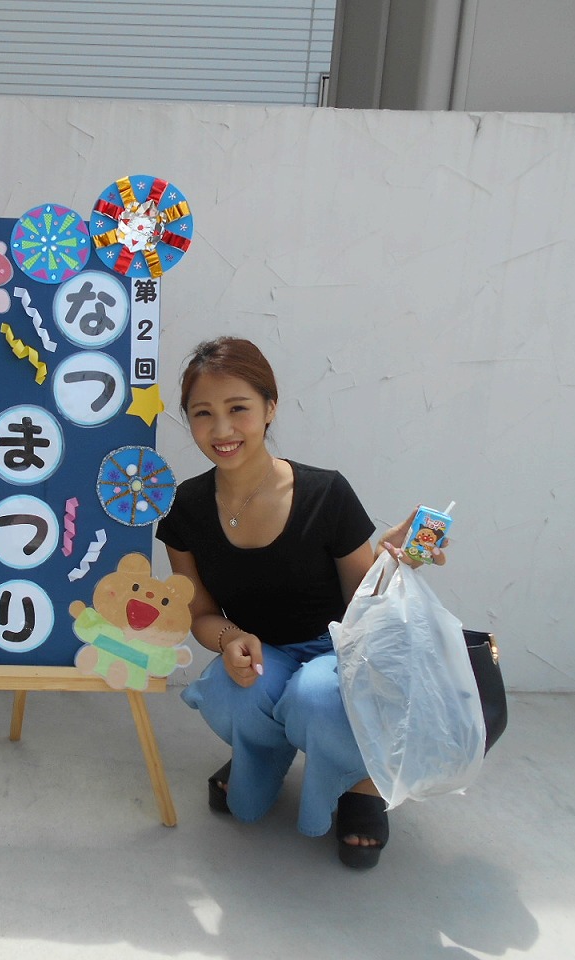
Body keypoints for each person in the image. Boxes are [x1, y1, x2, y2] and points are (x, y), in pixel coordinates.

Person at [155, 337, 444, 869]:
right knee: (227, 689)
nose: (221, 430)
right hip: (264, 651)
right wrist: (230, 639)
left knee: (316, 694)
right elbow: (197, 613)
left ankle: (361, 784)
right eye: (203, 413)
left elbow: (365, 605)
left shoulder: (325, 494)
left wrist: (393, 564)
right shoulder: (184, 509)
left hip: (339, 652)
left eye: (238, 409)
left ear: (270, 407)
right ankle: (258, 752)